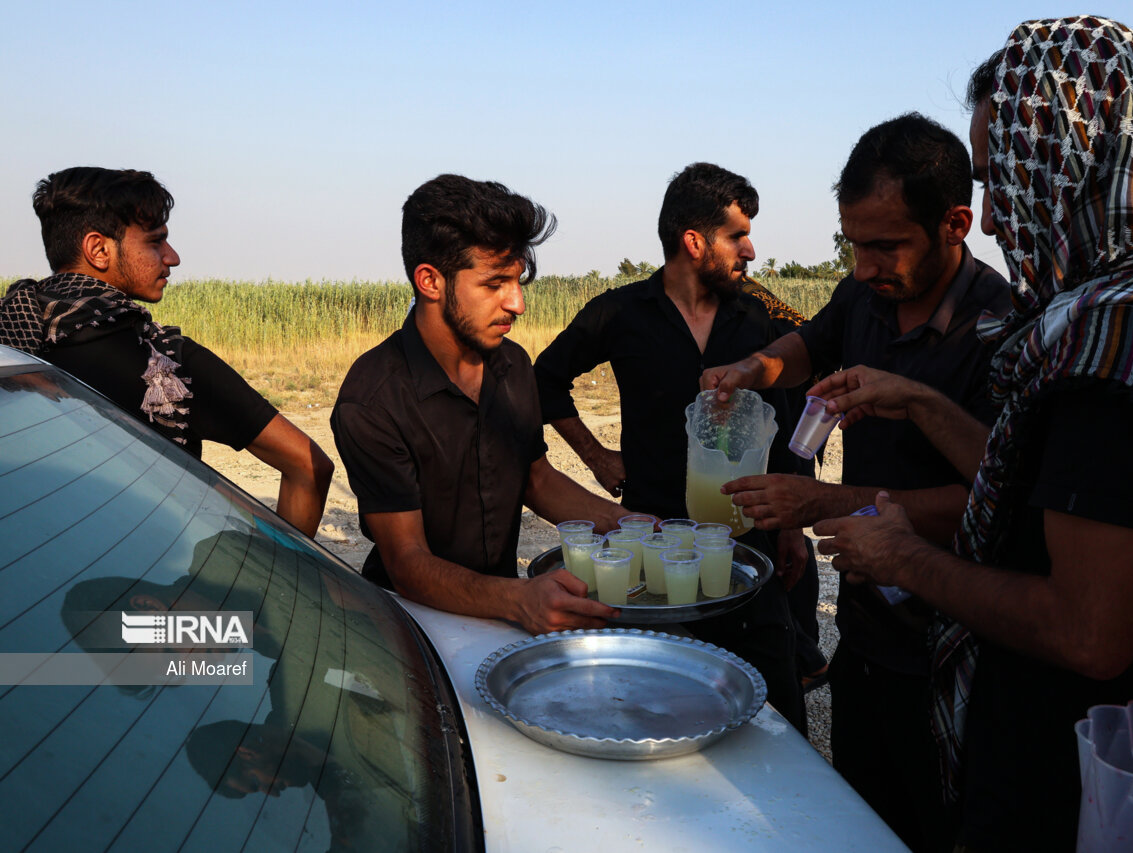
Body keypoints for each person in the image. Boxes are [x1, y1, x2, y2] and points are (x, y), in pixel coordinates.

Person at [805, 17, 1133, 850]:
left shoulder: (1127, 344)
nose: (992, 218)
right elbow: (1049, 490)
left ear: (1079, 158)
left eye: (1003, 176)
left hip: (1083, 790)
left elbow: (1087, 629)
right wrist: (919, 403)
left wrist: (911, 559)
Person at [699, 114, 1010, 851]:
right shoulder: (864, 295)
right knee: (861, 819)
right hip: (865, 630)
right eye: (854, 245)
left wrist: (823, 502)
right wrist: (751, 371)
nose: (866, 266)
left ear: (955, 223)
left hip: (950, 647)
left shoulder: (998, 329)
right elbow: (805, 346)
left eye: (885, 246)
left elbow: (989, 501)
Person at [533, 162, 810, 731]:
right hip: (649, 544)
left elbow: (783, 421)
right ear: (694, 241)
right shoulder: (619, 312)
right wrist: (595, 455)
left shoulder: (755, 318)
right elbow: (544, 379)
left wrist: (789, 525)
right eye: (738, 235)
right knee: (652, 707)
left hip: (743, 542)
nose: (751, 251)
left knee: (776, 713)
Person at [330, 174, 629, 636]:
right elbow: (407, 562)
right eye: (495, 284)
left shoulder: (513, 365)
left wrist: (626, 523)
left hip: (503, 611)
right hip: (411, 626)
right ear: (430, 280)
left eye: (518, 281)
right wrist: (519, 600)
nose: (518, 304)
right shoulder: (372, 400)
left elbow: (536, 478)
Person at [0, 167, 333, 537]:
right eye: (155, 242)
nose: (172, 257)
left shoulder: (13, 338)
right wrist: (279, 578)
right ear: (98, 250)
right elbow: (308, 464)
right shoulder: (165, 362)